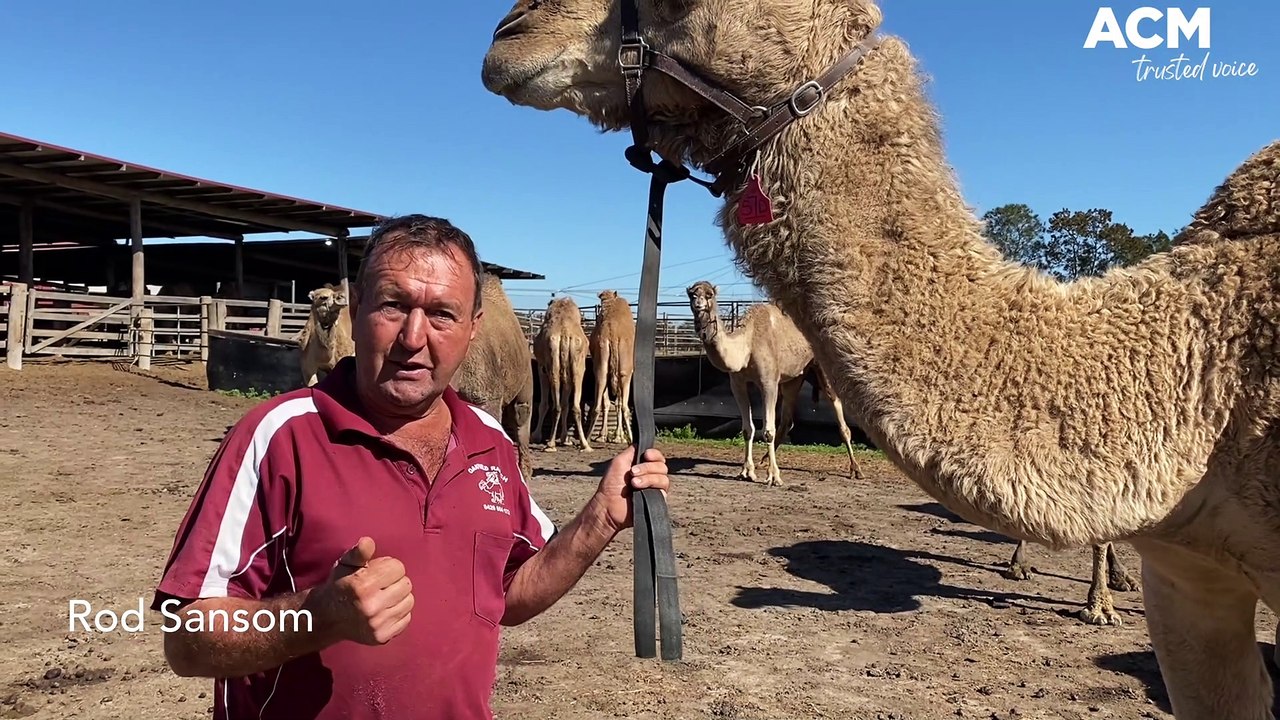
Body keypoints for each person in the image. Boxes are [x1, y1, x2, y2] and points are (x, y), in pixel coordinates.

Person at [151, 214, 671, 720]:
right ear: (358, 308)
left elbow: (508, 594)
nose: (414, 337)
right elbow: (186, 640)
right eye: (393, 305)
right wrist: (318, 615)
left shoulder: (488, 442)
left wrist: (601, 518)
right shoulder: (280, 436)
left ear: (473, 328)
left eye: (442, 314)